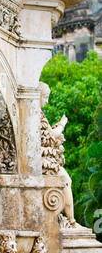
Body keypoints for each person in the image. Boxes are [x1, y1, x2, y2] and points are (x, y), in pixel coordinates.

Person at [39, 81, 79, 228]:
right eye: (45, 97)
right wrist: (62, 124)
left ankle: (70, 220)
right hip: (42, 160)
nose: (47, 101)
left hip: (44, 157)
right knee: (65, 180)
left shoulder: (38, 113)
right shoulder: (36, 113)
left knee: (66, 181)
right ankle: (71, 222)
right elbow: (51, 134)